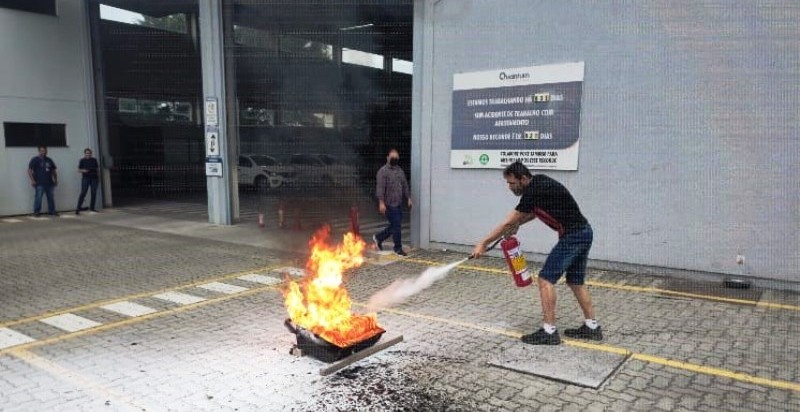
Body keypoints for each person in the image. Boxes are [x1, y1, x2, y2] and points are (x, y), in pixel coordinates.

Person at [471, 161, 601, 345]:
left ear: (523, 178)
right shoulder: (539, 183)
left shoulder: (533, 190)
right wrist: (517, 225)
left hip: (574, 236)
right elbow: (535, 212)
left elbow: (509, 221)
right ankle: (592, 327)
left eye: (512, 183)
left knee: (545, 279)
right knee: (576, 281)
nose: (510, 187)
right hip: (584, 232)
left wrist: (483, 243)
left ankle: (549, 332)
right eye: (508, 183)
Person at [373, 148, 412, 256]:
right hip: (388, 204)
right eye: (392, 157)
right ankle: (398, 248)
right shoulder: (383, 171)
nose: (394, 159)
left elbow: (404, 185)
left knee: (395, 225)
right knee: (397, 226)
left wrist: (408, 197)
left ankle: (378, 237)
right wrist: (381, 203)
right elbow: (380, 188)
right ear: (387, 158)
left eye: (396, 157)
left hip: (398, 203)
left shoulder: (399, 171)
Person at [27, 145, 58, 217]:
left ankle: (52, 211)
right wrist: (32, 180)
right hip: (39, 183)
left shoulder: (49, 160)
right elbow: (29, 171)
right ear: (39, 151)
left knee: (51, 198)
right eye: (42, 151)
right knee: (38, 197)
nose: (43, 152)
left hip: (50, 183)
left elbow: (53, 171)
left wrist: (55, 180)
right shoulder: (34, 160)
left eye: (45, 151)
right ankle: (36, 212)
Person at [75, 148, 99, 214]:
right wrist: (84, 170)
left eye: (89, 153)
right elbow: (79, 170)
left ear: (91, 154)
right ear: (85, 153)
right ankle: (78, 208)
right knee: (83, 192)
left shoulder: (94, 160)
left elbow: (97, 169)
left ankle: (92, 208)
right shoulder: (82, 160)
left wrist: (97, 178)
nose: (88, 154)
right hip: (86, 178)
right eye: (87, 153)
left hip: (94, 178)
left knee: (93, 193)